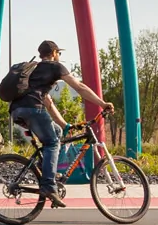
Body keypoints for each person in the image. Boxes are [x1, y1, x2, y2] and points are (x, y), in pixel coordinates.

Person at [11, 40, 114, 207]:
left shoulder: (34, 69)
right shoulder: (56, 67)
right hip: (33, 109)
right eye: (58, 53)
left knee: (57, 132)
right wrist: (102, 104)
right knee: (52, 142)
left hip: (17, 110)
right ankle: (48, 186)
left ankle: (45, 171)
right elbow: (80, 87)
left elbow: (48, 102)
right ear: (54, 53)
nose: (59, 56)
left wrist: (65, 125)